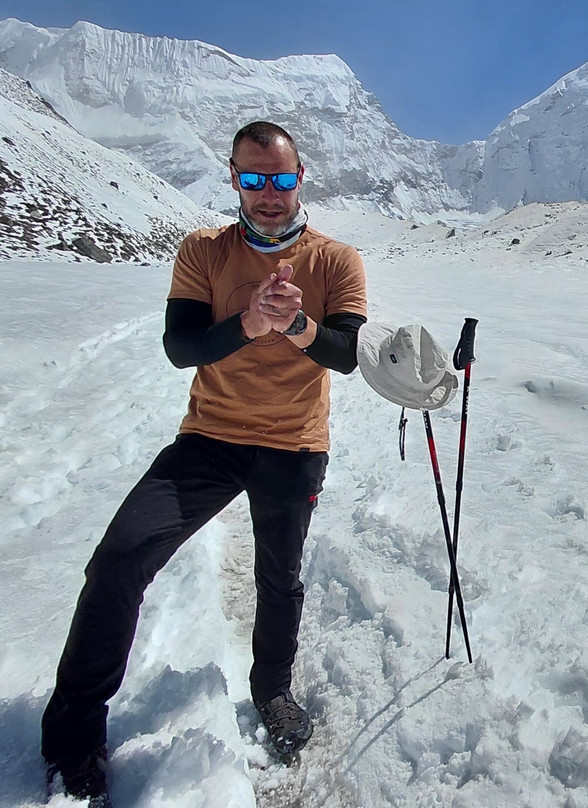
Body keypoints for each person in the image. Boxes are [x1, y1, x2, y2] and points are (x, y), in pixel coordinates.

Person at [41, 121, 368, 803]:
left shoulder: (337, 261)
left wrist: (299, 327)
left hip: (293, 444)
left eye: (280, 178)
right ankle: (73, 730)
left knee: (279, 579)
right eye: (254, 179)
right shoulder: (204, 251)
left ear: (300, 176)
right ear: (234, 179)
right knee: (119, 559)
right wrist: (247, 325)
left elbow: (345, 353)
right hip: (210, 438)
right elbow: (181, 347)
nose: (269, 193)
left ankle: (272, 692)